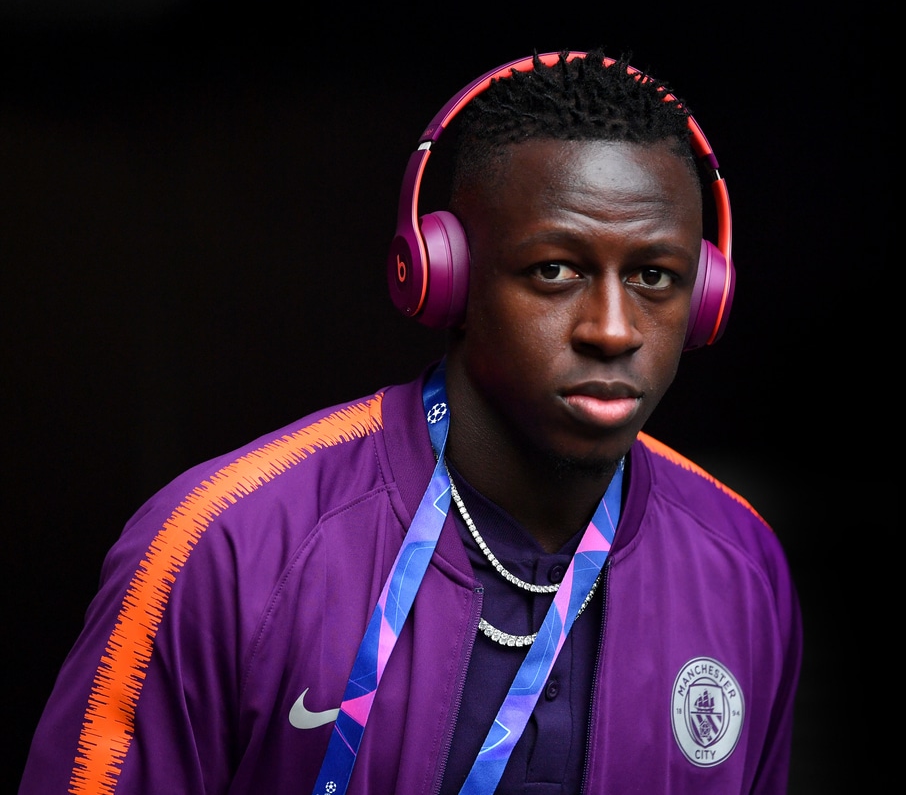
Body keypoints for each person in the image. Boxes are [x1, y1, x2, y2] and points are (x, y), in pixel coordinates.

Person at [18, 48, 802, 795]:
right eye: (554, 270)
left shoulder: (742, 567)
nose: (612, 328)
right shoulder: (224, 549)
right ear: (443, 277)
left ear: (706, 299)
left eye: (654, 277)